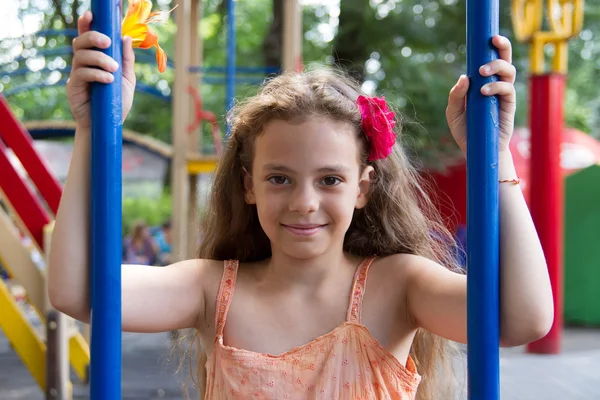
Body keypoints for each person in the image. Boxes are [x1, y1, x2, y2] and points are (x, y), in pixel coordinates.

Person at [48, 10, 553, 400]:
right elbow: (78, 290)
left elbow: (522, 318)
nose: (304, 202)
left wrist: (496, 154)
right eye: (279, 178)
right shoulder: (211, 289)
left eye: (330, 179)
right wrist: (95, 129)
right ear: (249, 186)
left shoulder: (397, 285)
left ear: (363, 187)